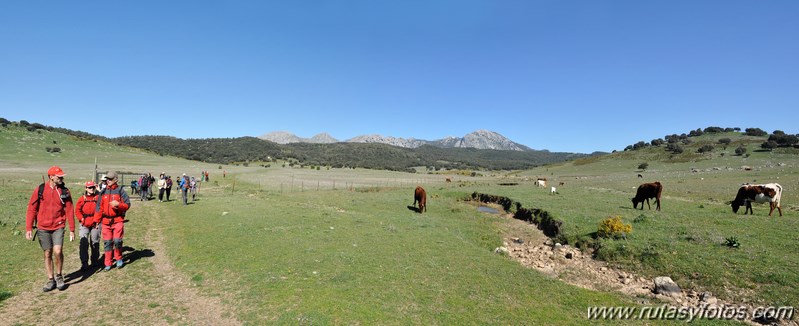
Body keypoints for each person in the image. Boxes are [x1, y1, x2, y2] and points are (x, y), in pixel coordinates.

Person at [26, 166, 75, 292]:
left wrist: (72, 229)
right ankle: (50, 279)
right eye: (59, 176)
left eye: (61, 176)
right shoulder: (40, 190)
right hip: (43, 227)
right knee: (47, 253)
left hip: (58, 225)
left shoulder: (65, 191)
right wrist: (29, 228)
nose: (61, 178)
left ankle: (59, 276)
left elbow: (69, 210)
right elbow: (32, 209)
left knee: (57, 251)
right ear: (51, 177)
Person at [92, 171, 130, 271]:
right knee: (107, 242)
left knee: (117, 241)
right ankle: (108, 262)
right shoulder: (103, 192)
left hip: (118, 220)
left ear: (116, 179)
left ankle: (118, 258)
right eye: (107, 179)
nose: (108, 180)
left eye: (110, 179)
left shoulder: (120, 191)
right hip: (105, 222)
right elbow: (98, 208)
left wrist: (118, 205)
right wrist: (96, 221)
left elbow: (127, 204)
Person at [75, 181, 101, 271]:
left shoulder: (98, 198)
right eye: (89, 187)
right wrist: (81, 219)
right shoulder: (82, 199)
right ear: (86, 188)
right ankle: (84, 262)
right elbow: (77, 210)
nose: (91, 189)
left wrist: (97, 221)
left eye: (93, 187)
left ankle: (94, 261)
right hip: (84, 223)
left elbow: (100, 210)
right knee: (83, 243)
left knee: (95, 242)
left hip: (95, 223)